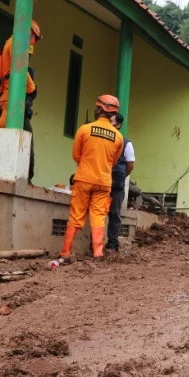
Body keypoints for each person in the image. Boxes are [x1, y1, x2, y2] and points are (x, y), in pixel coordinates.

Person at [62, 95, 124, 259]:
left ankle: (66, 252)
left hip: (84, 178)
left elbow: (76, 155)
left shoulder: (85, 129)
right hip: (104, 182)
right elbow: (114, 161)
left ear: (99, 109)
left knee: (76, 216)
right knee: (98, 217)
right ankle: (98, 252)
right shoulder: (118, 137)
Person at [0, 20, 41, 181]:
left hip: (11, 96)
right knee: (3, 136)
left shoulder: (12, 43)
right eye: (34, 38)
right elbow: (19, 67)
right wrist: (32, 89)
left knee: (2, 135)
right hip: (10, 97)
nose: (32, 42)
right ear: (30, 33)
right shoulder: (15, 43)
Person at [106, 112, 136, 253]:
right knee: (98, 214)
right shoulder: (104, 140)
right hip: (101, 183)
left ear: (118, 125)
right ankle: (96, 245)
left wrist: (120, 176)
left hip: (116, 185)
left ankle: (112, 245)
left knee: (114, 214)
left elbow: (130, 165)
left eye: (110, 122)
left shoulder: (126, 143)